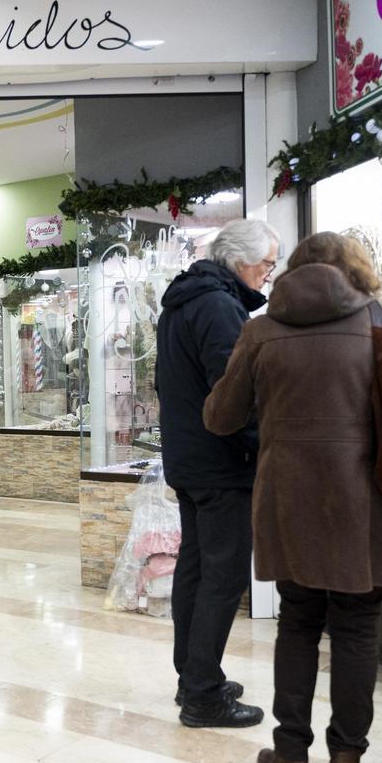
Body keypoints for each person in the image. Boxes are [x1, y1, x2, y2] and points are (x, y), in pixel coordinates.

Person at [204, 233, 382, 763]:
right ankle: (346, 760)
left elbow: (220, 416)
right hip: (369, 500)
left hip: (287, 500)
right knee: (357, 627)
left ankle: (289, 754)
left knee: (298, 620)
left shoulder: (259, 330)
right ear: (358, 269)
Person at [156, 218, 279, 729]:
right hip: (220, 462)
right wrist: (262, 449)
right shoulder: (219, 307)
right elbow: (233, 399)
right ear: (241, 261)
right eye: (267, 265)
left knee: (198, 566)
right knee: (223, 575)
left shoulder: (185, 301)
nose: (269, 276)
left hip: (188, 459)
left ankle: (194, 675)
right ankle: (203, 694)